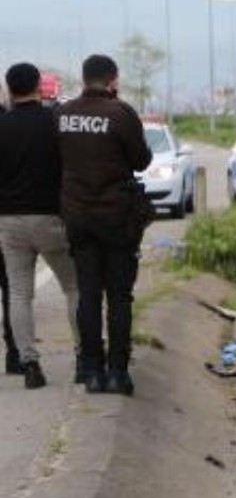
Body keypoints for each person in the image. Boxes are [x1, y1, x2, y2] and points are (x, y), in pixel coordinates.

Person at [57, 55, 152, 395]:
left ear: (84, 79)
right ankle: (117, 373)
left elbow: (57, 161)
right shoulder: (120, 113)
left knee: (88, 295)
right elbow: (142, 160)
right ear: (113, 80)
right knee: (119, 296)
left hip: (78, 217)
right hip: (116, 218)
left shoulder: (64, 114)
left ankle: (92, 372)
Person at [0, 63, 81, 389]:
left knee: (19, 293)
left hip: (9, 221)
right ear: (38, 87)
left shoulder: (1, 125)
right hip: (51, 218)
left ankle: (29, 363)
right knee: (73, 287)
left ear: (9, 89)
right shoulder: (55, 123)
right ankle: (84, 356)